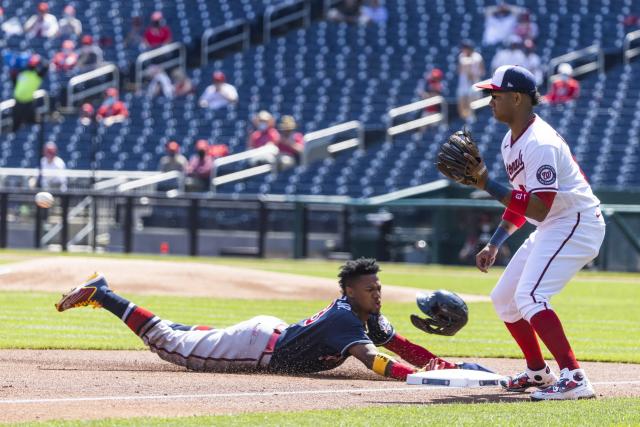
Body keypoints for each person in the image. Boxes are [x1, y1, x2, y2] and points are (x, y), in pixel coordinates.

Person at [451, 65, 604, 400]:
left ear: (517, 98)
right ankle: (537, 371)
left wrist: (487, 184)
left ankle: (574, 376)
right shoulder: (510, 141)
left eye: (496, 94)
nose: (490, 100)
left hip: (576, 223)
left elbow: (538, 208)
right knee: (504, 299)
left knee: (531, 296)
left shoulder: (540, 143)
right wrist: (495, 242)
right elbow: (524, 203)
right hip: (554, 224)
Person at [55, 258, 472, 379]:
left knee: (193, 338)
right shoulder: (348, 320)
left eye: (379, 288)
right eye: (370, 289)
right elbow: (375, 361)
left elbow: (402, 347)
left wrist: (454, 369)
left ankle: (105, 292)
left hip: (269, 332)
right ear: (349, 291)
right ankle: (104, 293)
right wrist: (420, 379)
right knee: (171, 347)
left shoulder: (368, 315)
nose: (377, 294)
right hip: (258, 348)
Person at [12, 54, 48, 133]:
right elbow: (13, 75)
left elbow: (46, 66)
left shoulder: (37, 75)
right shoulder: (22, 73)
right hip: (17, 102)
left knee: (31, 124)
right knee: (15, 125)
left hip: (28, 102)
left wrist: (39, 58)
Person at [456, 40, 485, 124]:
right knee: (461, 103)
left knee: (471, 101)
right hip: (463, 84)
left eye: (464, 48)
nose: (463, 50)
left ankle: (471, 119)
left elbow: (482, 71)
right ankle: (465, 119)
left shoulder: (477, 57)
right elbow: (460, 70)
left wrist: (474, 74)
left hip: (474, 83)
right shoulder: (461, 56)